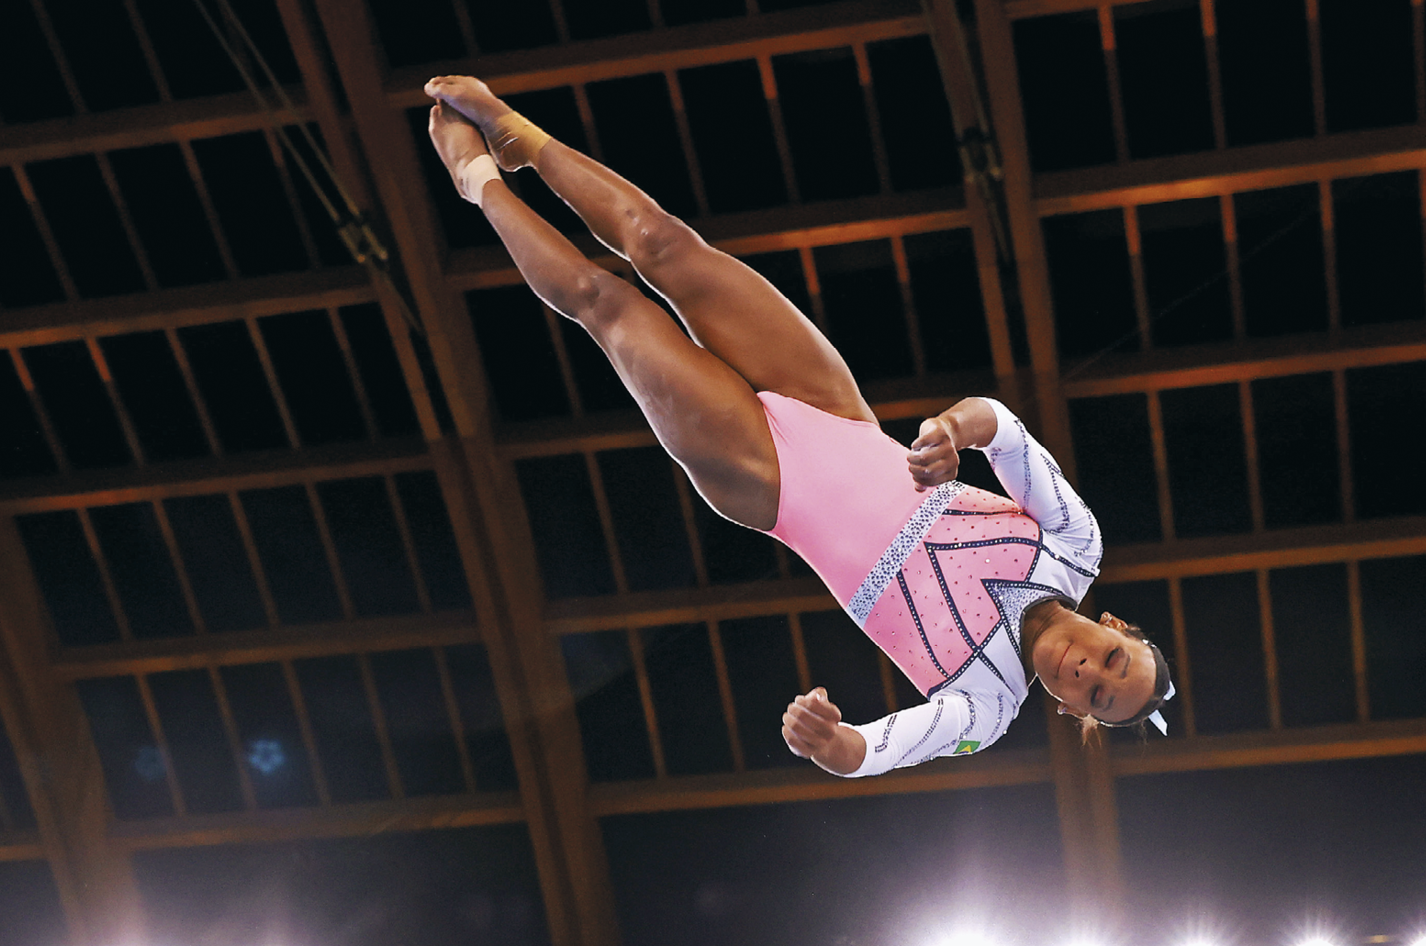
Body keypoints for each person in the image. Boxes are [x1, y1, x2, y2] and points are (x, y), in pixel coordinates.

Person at [422, 79, 1173, 775]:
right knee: (665, 243)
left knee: (609, 305)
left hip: (769, 483)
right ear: (1115, 625)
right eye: (1114, 660)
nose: (1091, 671)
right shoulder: (1074, 546)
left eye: (1101, 696)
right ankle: (521, 134)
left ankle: (478, 182)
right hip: (838, 411)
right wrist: (952, 429)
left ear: (1077, 714)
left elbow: (872, 749)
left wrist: (828, 741)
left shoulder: (986, 708)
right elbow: (1002, 428)